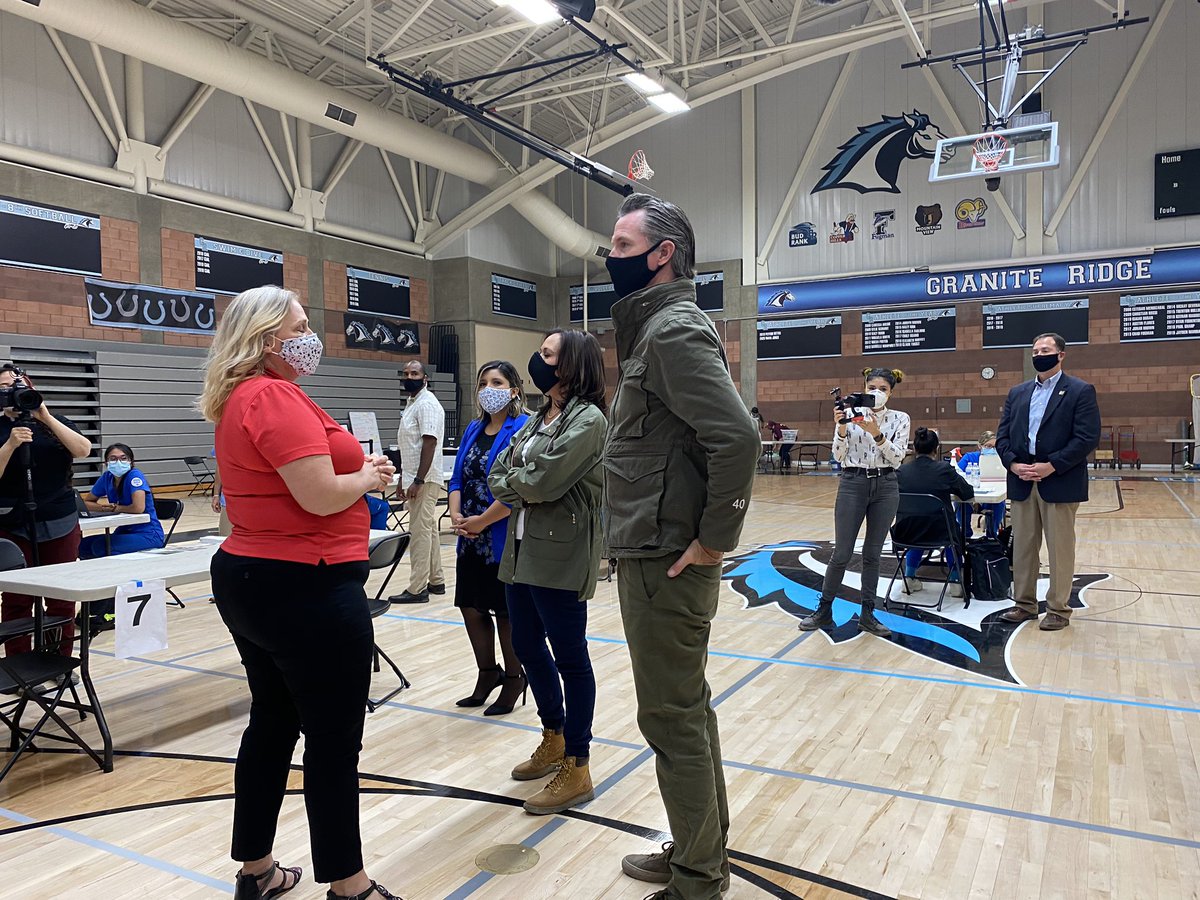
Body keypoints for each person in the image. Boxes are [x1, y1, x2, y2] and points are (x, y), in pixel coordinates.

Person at [197, 285, 400, 900]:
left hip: (256, 577)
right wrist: (366, 476)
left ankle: (257, 872)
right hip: (304, 585)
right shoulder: (273, 395)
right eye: (302, 326)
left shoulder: (243, 396)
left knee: (273, 720)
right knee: (334, 741)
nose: (312, 337)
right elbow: (318, 495)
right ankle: (349, 885)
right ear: (266, 338)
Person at [603, 193, 761, 900]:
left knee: (671, 716)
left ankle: (698, 878)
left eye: (622, 244)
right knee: (684, 711)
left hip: (667, 556)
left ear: (661, 254)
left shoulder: (669, 332)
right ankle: (700, 851)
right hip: (651, 547)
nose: (610, 257)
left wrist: (711, 541)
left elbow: (737, 437)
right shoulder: (655, 330)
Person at [488, 329, 606, 815]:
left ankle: (577, 764)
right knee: (527, 648)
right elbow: (501, 473)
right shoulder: (537, 419)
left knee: (570, 658)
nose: (537, 360)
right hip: (519, 553)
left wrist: (521, 482)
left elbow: (546, 480)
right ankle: (553, 736)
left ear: (570, 365)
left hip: (560, 554)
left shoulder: (590, 419)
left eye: (546, 354)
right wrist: (523, 483)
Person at [995, 333, 1100, 631]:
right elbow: (1002, 436)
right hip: (1022, 480)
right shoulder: (1017, 393)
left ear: (1061, 355)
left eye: (1046, 349)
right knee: (1024, 547)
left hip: (1060, 480)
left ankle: (1058, 608)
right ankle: (1024, 604)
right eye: (1036, 350)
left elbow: (1086, 438)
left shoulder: (1080, 391)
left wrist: (1051, 466)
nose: (1040, 354)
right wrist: (1014, 464)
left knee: (1059, 548)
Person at [798, 367, 910, 638]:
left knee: (872, 555)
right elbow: (838, 456)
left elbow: (897, 459)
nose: (877, 393)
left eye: (883, 389)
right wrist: (840, 428)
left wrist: (877, 433)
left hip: (886, 485)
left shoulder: (900, 419)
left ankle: (868, 614)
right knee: (842, 553)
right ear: (863, 387)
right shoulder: (849, 414)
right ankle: (824, 609)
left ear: (891, 392)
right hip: (852, 482)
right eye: (872, 388)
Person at [447, 360, 529, 716]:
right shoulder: (473, 429)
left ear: (513, 390)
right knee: (470, 606)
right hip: (469, 535)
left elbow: (518, 488)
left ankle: (514, 677)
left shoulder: (524, 428)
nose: (487, 389)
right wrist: (456, 514)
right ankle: (487, 673)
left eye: (496, 382)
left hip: (501, 534)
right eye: (482, 382)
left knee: (504, 611)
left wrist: (482, 521)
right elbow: (456, 479)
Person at [0, 364, 92, 659]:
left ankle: (59, 659)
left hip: (59, 519)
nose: (12, 392)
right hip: (13, 523)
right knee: (17, 597)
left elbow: (83, 450)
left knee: (61, 595)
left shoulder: (55, 422)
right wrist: (11, 443)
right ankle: (19, 663)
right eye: (3, 388)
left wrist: (46, 417)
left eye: (17, 386)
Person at [390, 359, 446, 604]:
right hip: (415, 476)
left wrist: (419, 479)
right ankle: (436, 580)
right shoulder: (412, 403)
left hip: (425, 479)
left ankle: (417, 588)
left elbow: (429, 442)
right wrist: (405, 477)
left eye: (414, 373)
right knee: (428, 529)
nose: (409, 376)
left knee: (419, 532)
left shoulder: (427, 404)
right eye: (405, 373)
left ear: (425, 378)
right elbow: (409, 447)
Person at [895, 427, 973, 597]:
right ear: (936, 448)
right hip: (940, 532)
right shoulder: (944, 469)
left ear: (914, 449)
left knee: (917, 524)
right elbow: (967, 493)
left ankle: (909, 577)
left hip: (905, 532)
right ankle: (955, 580)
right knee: (953, 532)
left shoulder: (901, 472)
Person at [78, 443, 165, 558]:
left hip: (148, 533)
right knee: (82, 545)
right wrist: (104, 508)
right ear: (106, 463)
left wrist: (116, 508)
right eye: (113, 459)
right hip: (125, 529)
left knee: (99, 546)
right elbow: (87, 503)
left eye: (123, 458)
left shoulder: (135, 476)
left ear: (131, 461)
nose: (118, 462)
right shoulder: (107, 477)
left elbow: (138, 508)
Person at [954, 429, 1006, 537]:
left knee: (999, 504)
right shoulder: (969, 457)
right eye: (988, 446)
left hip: (991, 495)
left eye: (994, 446)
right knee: (959, 502)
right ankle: (966, 534)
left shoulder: (1000, 459)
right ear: (980, 446)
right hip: (971, 494)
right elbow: (957, 473)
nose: (992, 449)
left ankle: (991, 536)